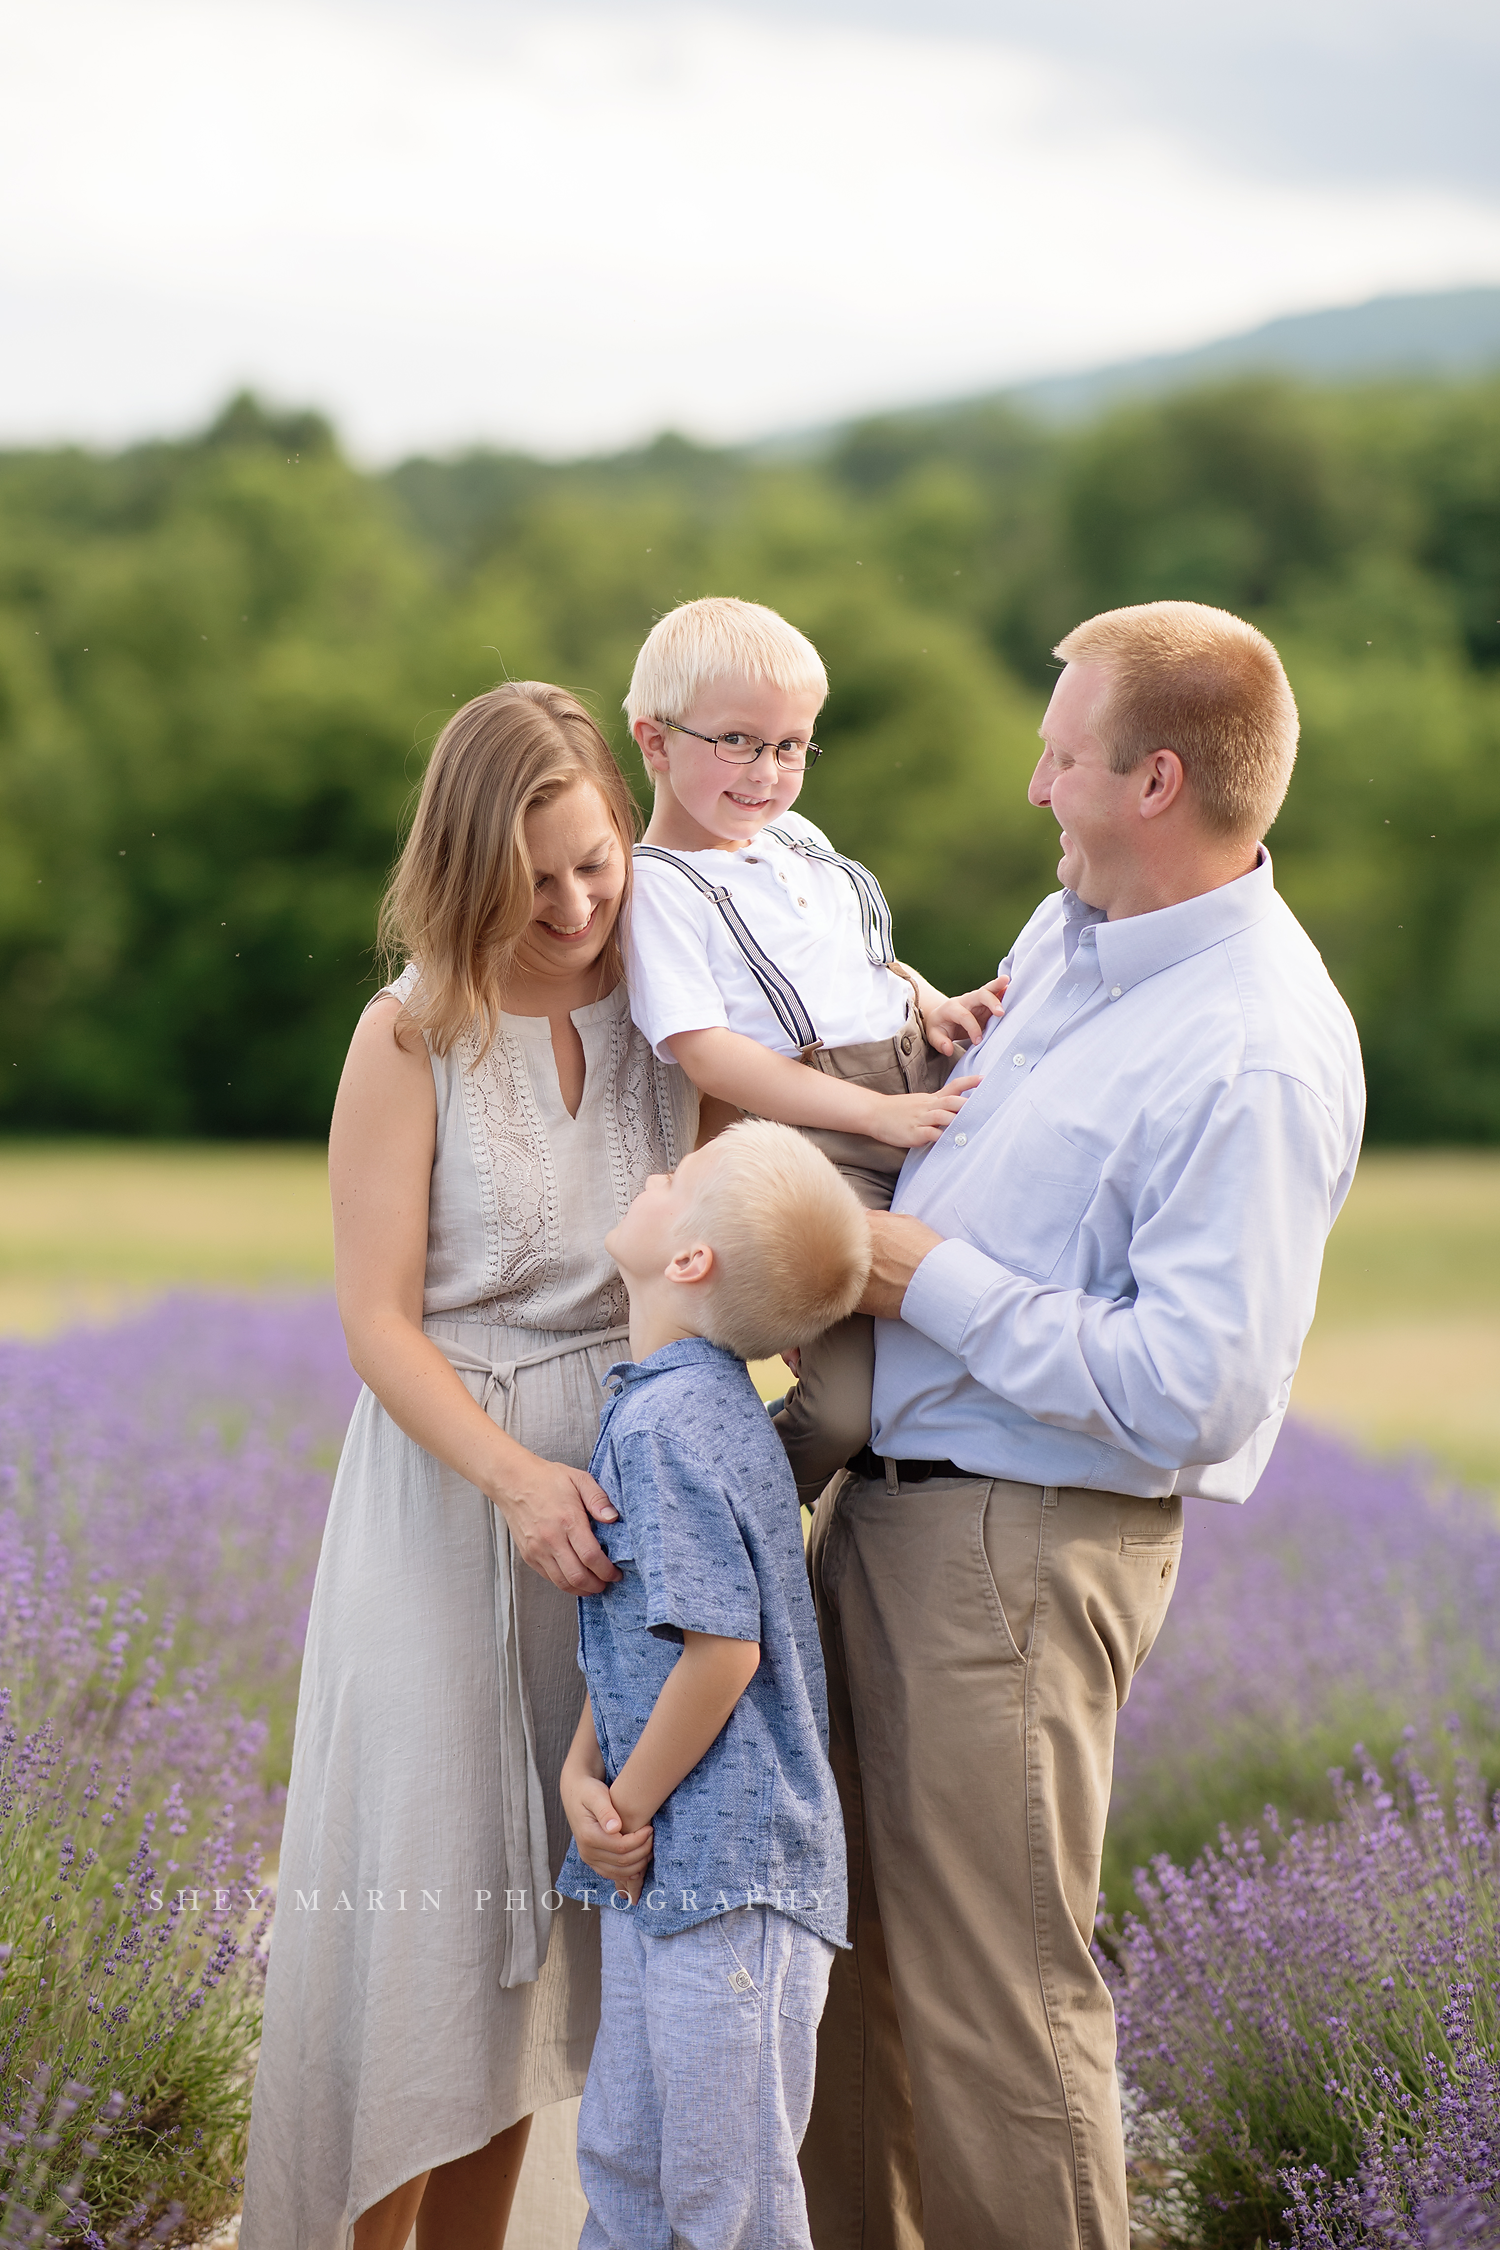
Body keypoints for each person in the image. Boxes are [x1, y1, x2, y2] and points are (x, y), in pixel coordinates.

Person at [799, 600, 1366, 2250]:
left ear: (1158, 780)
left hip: (1020, 1555)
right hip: (905, 1517)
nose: (1035, 788)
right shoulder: (1072, 936)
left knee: (998, 2016)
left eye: (1062, 756)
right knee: (850, 1985)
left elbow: (1198, 1389)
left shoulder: (1254, 1049)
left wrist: (922, 1276)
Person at [240, 683, 698, 2250]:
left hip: (618, 1506)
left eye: (595, 864)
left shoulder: (664, 1002)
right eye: (535, 880)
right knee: (432, 1914)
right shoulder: (407, 1031)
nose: (574, 907)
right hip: (448, 1496)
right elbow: (374, 1319)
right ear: (465, 867)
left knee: (540, 1949)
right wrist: (512, 1476)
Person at [555, 1119, 869, 2249]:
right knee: (629, 2165)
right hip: (679, 1872)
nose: (652, 1173)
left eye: (678, 1178)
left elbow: (722, 1652)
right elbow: (653, 1622)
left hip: (734, 1877)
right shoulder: (675, 1402)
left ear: (689, 1262)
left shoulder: (673, 1425)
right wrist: (582, 1767)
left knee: (722, 2200)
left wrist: (624, 1805)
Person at [623, 596, 1006, 1500]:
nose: (769, 772)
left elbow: (853, 960)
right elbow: (708, 1053)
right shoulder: (661, 887)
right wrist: (875, 1111)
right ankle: (701, 1516)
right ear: (653, 740)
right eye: (738, 742)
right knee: (840, 1408)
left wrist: (927, 998)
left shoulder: (793, 836)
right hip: (821, 1145)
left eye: (792, 746)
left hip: (912, 1081)